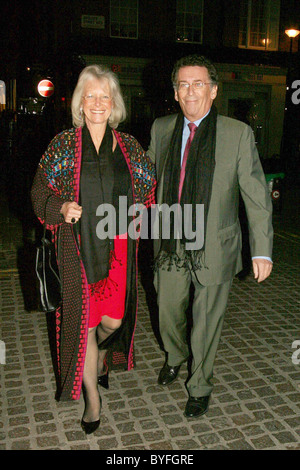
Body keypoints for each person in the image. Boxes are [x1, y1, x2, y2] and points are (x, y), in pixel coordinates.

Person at [31, 65, 156, 433]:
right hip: (77, 248)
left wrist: (142, 217)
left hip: (118, 250)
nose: (98, 103)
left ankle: (100, 354)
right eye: (91, 96)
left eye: (105, 96)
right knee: (83, 324)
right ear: (80, 103)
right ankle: (93, 402)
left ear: (114, 102)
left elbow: (148, 191)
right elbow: (40, 191)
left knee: (113, 321)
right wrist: (60, 208)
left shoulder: (130, 146)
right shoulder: (63, 145)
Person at [147, 55, 273, 419]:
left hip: (215, 245)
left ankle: (200, 384)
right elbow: (145, 182)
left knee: (206, 322)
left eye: (198, 83)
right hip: (170, 239)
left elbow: (256, 195)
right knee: (168, 310)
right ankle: (175, 355)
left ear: (214, 90)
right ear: (174, 93)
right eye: (183, 84)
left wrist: (262, 251)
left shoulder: (237, 133)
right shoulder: (162, 128)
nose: (191, 91)